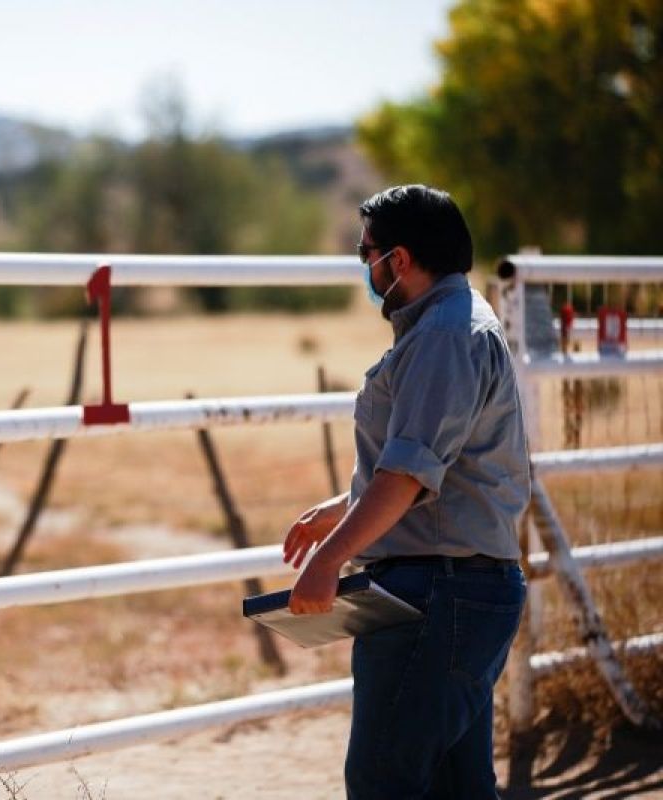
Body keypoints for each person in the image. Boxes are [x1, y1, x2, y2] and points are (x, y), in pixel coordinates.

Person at [282, 185, 530, 798]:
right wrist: (346, 507)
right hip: (458, 589)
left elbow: (409, 477)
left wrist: (328, 559)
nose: (364, 267)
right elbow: (439, 464)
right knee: (455, 783)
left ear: (399, 259)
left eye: (366, 252)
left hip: (439, 597)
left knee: (384, 779)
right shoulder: (451, 323)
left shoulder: (444, 335)